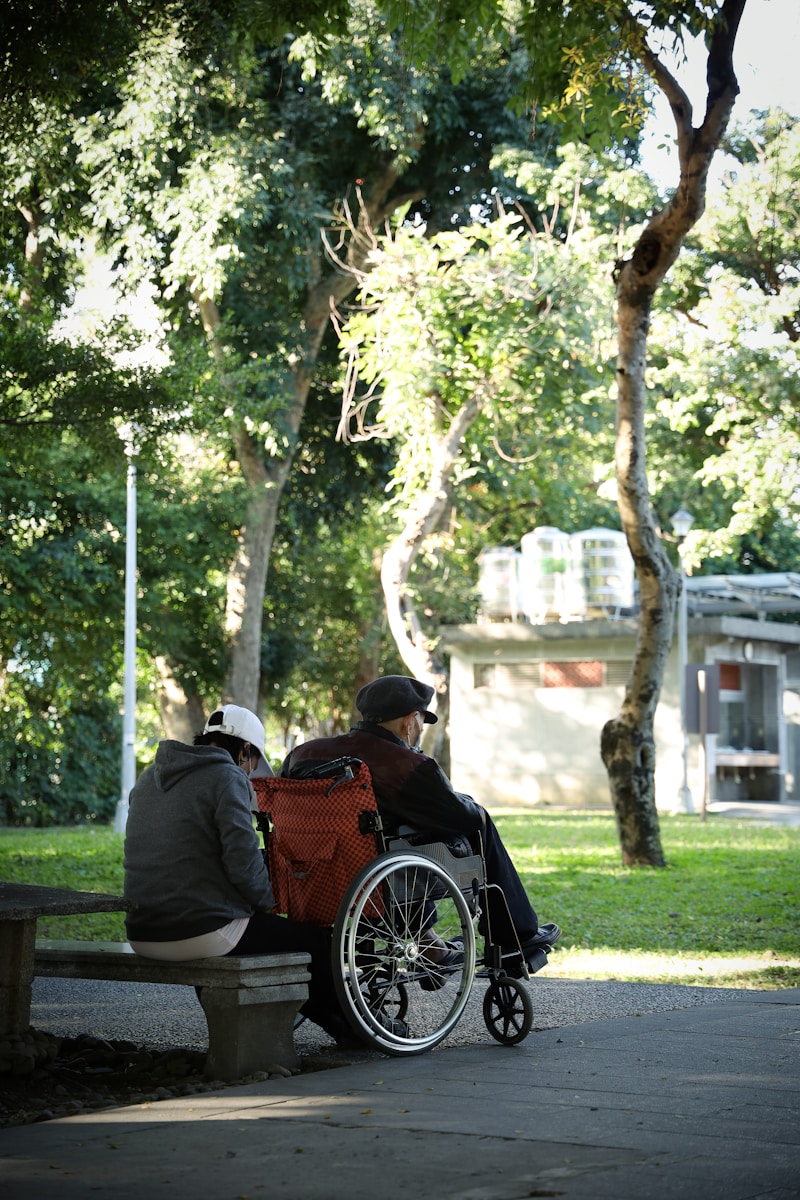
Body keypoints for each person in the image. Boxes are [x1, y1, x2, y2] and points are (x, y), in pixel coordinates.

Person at [281, 676, 560, 978]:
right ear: (411, 721)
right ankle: (516, 936)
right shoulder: (406, 764)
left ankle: (431, 944)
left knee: (392, 843)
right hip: (379, 876)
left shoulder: (303, 754)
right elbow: (461, 817)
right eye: (421, 722)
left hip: (311, 873)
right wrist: (469, 803)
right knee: (480, 824)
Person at [123, 703, 361, 1045]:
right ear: (245, 750)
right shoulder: (227, 775)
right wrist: (266, 902)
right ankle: (353, 1029)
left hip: (143, 932)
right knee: (312, 942)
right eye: (251, 763)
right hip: (198, 931)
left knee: (262, 937)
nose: (250, 772)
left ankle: (341, 1028)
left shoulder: (149, 777)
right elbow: (242, 860)